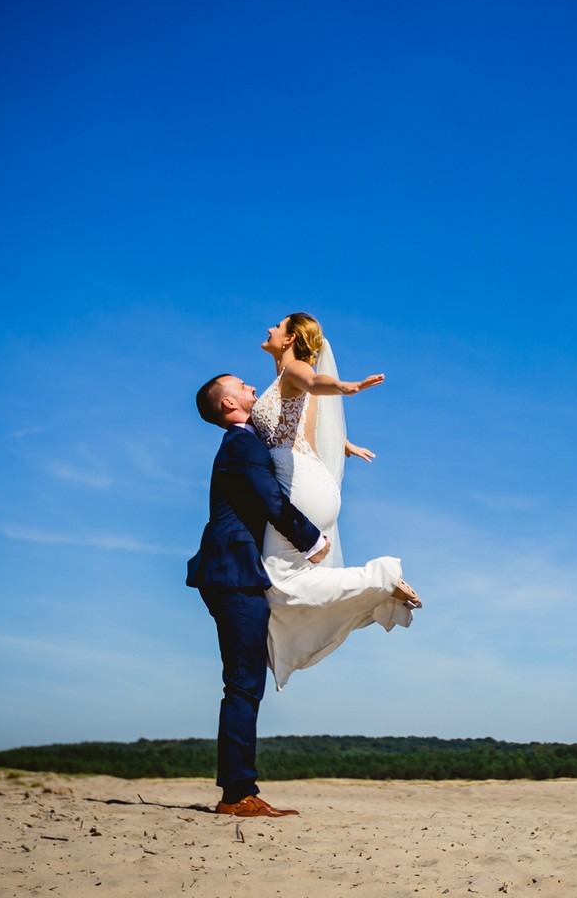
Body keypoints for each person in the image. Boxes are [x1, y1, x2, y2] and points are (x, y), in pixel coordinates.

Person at [252, 312, 420, 689]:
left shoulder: (294, 371)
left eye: (277, 326)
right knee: (293, 582)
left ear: (291, 338)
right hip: (313, 480)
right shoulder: (282, 381)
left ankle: (381, 578)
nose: (269, 329)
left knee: (281, 583)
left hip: (297, 484)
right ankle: (377, 589)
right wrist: (343, 445)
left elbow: (315, 382)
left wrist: (346, 387)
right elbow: (307, 422)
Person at [187, 373, 325, 818]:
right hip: (233, 573)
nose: (252, 390)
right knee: (243, 685)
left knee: (245, 684)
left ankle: (239, 789)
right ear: (229, 404)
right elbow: (269, 499)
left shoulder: (248, 441)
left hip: (235, 572)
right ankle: (236, 795)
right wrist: (312, 540)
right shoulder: (240, 445)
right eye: (244, 386)